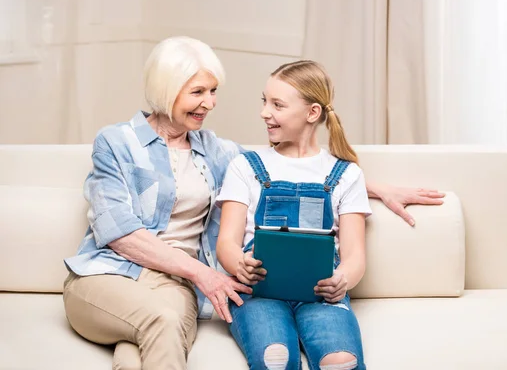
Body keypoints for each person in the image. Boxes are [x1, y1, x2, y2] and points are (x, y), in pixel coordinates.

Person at [62, 36, 445, 370]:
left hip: (172, 286)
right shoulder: (116, 142)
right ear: (167, 90)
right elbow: (119, 233)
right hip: (112, 274)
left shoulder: (215, 150)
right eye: (198, 93)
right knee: (161, 322)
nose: (210, 103)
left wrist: (375, 189)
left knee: (135, 355)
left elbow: (294, 169)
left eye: (213, 92)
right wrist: (204, 274)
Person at [216, 60, 368, 369]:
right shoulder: (245, 166)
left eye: (278, 105)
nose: (264, 112)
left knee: (341, 361)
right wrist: (239, 263)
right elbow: (226, 244)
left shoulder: (346, 173)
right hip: (258, 292)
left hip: (321, 294)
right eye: (264, 101)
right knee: (276, 358)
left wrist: (343, 279)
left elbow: (355, 256)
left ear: (312, 113)